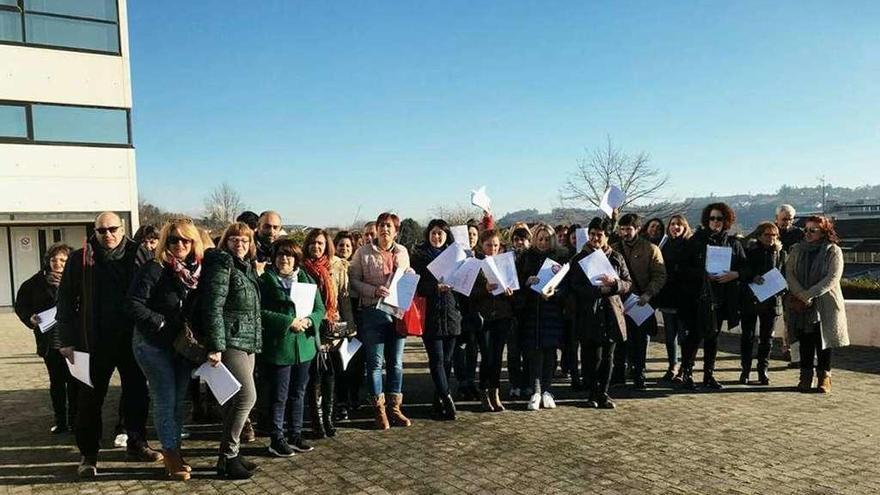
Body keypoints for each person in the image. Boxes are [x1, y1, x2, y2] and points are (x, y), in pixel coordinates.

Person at [55, 212, 159, 478]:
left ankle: (137, 443)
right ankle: (88, 454)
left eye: (113, 229)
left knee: (137, 394)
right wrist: (65, 341)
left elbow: (155, 294)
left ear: (123, 229)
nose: (108, 234)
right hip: (93, 341)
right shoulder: (80, 258)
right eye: (102, 231)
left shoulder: (141, 254)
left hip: (133, 339)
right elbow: (65, 300)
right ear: (95, 231)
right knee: (89, 400)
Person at [126, 218, 205, 480]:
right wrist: (158, 320)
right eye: (173, 240)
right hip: (152, 344)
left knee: (179, 401)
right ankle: (170, 456)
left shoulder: (196, 272)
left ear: (194, 242)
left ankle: (176, 451)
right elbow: (133, 304)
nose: (180, 244)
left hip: (181, 346)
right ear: (165, 243)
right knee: (165, 399)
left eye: (185, 239)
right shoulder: (154, 268)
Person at [201, 222, 262, 480]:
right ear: (225, 242)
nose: (240, 244)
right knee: (247, 397)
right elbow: (213, 306)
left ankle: (230, 457)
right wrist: (216, 345)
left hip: (249, 341)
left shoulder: (245, 268)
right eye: (234, 239)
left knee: (232, 402)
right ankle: (228, 455)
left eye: (245, 241)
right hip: (230, 340)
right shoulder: (222, 265)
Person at [258, 238, 324, 457]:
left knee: (299, 392)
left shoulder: (305, 278)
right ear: (274, 258)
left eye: (289, 255)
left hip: (304, 347)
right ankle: (277, 438)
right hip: (280, 347)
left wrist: (310, 321)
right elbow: (260, 312)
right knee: (280, 395)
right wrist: (288, 322)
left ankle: (295, 434)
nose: (285, 259)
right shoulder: (266, 280)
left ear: (297, 259)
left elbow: (319, 308)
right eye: (280, 255)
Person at [349, 212, 413, 429]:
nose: (385, 229)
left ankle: (395, 408)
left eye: (389, 226)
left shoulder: (402, 251)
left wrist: (409, 274)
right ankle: (379, 409)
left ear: (396, 230)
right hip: (372, 311)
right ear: (376, 229)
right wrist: (373, 290)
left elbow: (407, 276)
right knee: (375, 363)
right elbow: (354, 281)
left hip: (397, 312)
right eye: (382, 225)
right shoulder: (363, 252)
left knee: (396, 362)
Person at [679, 203, 747, 391]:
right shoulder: (695, 241)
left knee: (713, 337)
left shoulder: (733, 243)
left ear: (726, 221)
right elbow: (684, 269)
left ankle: (709, 374)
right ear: (706, 220)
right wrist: (703, 274)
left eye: (719, 218)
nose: (716, 222)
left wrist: (735, 274)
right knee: (694, 336)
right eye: (712, 218)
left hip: (722, 297)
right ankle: (687, 373)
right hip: (698, 297)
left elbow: (745, 267)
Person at [567, 217, 632, 409]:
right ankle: (592, 393)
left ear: (607, 236)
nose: (595, 238)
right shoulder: (579, 258)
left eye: (600, 235)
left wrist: (615, 284)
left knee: (608, 356)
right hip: (589, 313)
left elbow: (627, 283)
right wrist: (597, 290)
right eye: (592, 234)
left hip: (611, 312)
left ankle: (604, 392)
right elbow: (574, 285)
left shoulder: (616, 257)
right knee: (590, 357)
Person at [15, 243, 76, 434]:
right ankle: (61, 421)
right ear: (47, 261)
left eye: (63, 260)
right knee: (57, 382)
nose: (57, 264)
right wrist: (29, 317)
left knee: (75, 382)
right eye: (54, 260)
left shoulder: (77, 280)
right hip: (50, 340)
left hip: (74, 339)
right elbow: (21, 305)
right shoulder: (34, 283)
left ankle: (75, 421)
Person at [302, 228, 357, 438]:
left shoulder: (336, 268)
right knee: (314, 376)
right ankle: (317, 422)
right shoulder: (302, 269)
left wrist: (349, 326)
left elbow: (344, 299)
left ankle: (329, 417)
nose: (316, 247)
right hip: (311, 329)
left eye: (321, 243)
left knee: (331, 375)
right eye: (313, 243)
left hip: (333, 329)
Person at [785, 216, 849, 393]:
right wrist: (800, 294)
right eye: (806, 230)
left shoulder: (833, 250)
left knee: (824, 341)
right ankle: (805, 376)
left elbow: (832, 278)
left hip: (825, 302)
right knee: (805, 340)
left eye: (813, 230)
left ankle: (824, 377)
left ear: (824, 232)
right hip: (801, 303)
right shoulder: (796, 249)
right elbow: (789, 273)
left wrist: (808, 295)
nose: (808, 233)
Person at [410, 220, 462, 420]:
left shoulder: (457, 255)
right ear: (428, 234)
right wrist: (434, 288)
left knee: (447, 361)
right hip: (430, 314)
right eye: (433, 233)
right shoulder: (420, 257)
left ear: (446, 235)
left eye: (440, 233)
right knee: (437, 360)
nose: (437, 237)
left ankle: (437, 400)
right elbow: (417, 287)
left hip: (451, 314)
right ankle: (447, 398)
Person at [611, 214, 666, 389]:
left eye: (629, 229)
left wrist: (649, 294)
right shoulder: (614, 249)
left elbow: (660, 274)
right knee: (619, 339)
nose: (625, 232)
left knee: (640, 340)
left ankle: (638, 372)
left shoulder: (651, 249)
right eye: (622, 229)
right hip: (619, 302)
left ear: (637, 229)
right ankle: (618, 373)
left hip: (640, 302)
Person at [517, 224, 567, 410]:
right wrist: (526, 283)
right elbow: (516, 284)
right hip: (531, 311)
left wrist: (556, 292)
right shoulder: (525, 258)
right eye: (540, 238)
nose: (543, 242)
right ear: (534, 239)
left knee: (550, 353)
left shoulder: (561, 257)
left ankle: (547, 390)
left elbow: (567, 287)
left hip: (552, 312)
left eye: (547, 239)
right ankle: (536, 391)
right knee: (534, 353)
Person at [471, 229, 515, 412]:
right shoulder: (475, 264)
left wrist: (510, 292)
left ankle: (494, 392)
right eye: (489, 245)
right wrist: (485, 289)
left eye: (496, 245)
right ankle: (483, 390)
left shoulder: (506, 263)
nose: (493, 248)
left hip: (503, 316)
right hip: (484, 317)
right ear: (482, 245)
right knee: (487, 356)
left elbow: (515, 288)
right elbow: (468, 292)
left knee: (497, 357)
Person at [739, 222, 786, 385]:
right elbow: (742, 271)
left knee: (767, 339)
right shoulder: (750, 250)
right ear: (759, 236)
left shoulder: (780, 253)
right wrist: (753, 277)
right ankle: (745, 370)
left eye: (774, 235)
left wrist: (781, 287)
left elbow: (784, 273)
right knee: (748, 337)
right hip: (751, 299)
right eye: (767, 235)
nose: (771, 238)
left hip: (771, 301)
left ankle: (762, 370)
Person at [652, 214, 692, 382]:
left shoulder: (690, 245)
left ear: (684, 227)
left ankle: (685, 367)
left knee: (684, 336)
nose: (675, 227)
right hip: (667, 296)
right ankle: (672, 365)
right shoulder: (664, 244)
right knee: (670, 336)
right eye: (672, 224)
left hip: (683, 297)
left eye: (679, 225)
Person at [333, 230, 364, 419]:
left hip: (357, 315)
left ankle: (355, 396)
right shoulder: (332, 266)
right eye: (341, 245)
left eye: (347, 246)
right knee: (340, 362)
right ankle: (341, 401)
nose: (344, 248)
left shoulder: (356, 267)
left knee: (356, 362)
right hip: (338, 316)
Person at [453, 219, 482, 401]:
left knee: (473, 347)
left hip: (476, 307)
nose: (471, 237)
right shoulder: (454, 257)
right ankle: (462, 382)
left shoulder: (481, 257)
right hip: (457, 307)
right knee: (459, 347)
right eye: (468, 234)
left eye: (474, 234)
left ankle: (471, 381)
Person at [774, 204, 805, 365]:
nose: (787, 222)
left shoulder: (799, 234)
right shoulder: (769, 232)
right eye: (784, 219)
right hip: (772, 280)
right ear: (777, 218)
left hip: (792, 281)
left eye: (790, 219)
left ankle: (791, 350)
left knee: (791, 318)